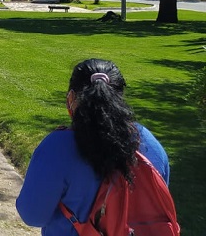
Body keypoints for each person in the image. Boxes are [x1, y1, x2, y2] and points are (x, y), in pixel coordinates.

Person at [16, 59, 170, 235]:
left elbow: (33, 215)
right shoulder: (150, 144)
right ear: (119, 98)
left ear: (71, 99)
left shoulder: (57, 147)